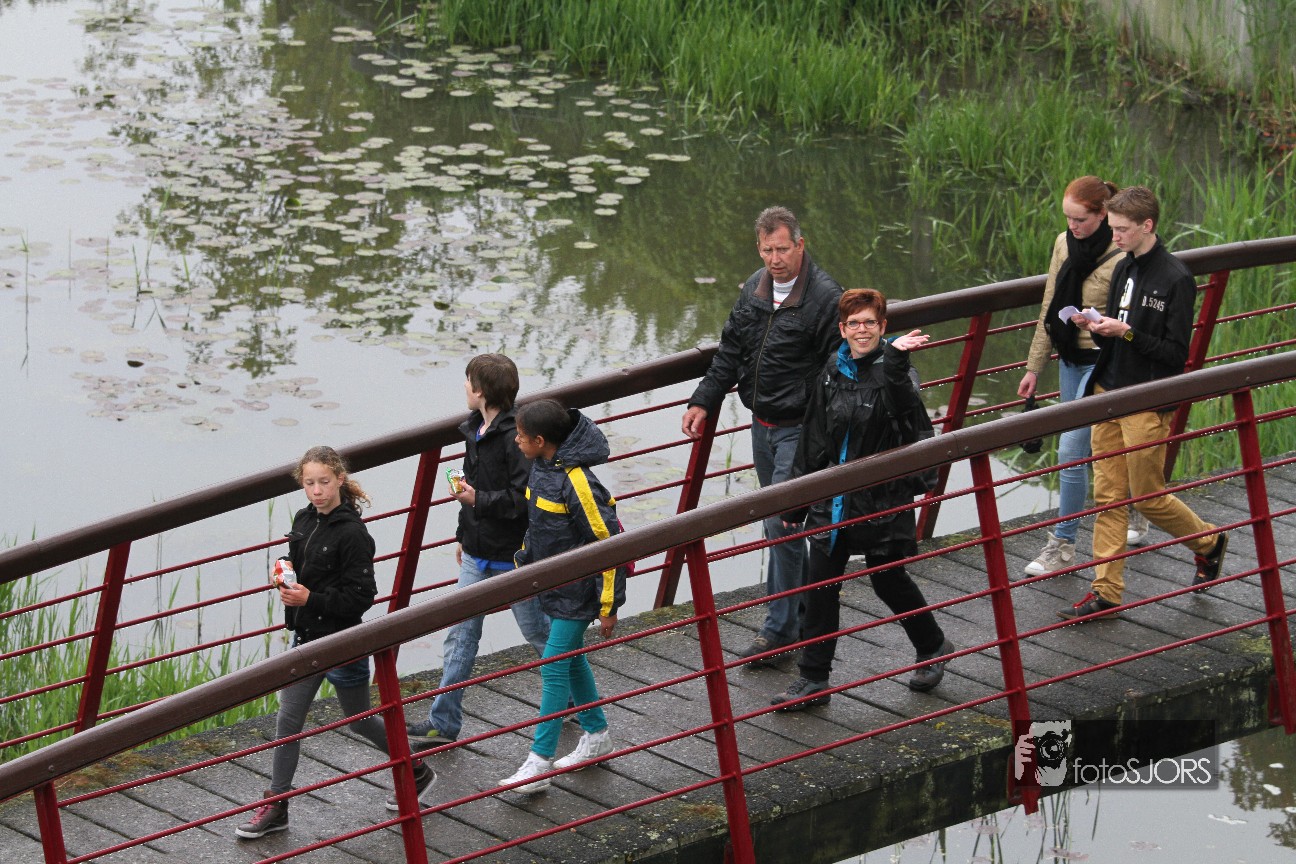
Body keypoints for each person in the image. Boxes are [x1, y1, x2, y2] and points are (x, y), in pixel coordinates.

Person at [236, 446, 435, 840]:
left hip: (343, 643)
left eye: (324, 482)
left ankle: (415, 769)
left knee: (358, 719)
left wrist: (311, 599)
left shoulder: (353, 534)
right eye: (309, 483)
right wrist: (285, 571)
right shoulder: (303, 519)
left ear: (340, 479)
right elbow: (298, 559)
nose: (317, 491)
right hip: (306, 640)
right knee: (288, 722)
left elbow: (362, 597)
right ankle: (277, 805)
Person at [771, 289, 955, 711]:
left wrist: (897, 358)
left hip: (881, 496)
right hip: (834, 496)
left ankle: (932, 644)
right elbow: (814, 437)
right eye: (853, 323)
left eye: (870, 322)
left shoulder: (897, 371)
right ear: (842, 329)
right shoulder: (831, 370)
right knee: (820, 585)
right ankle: (813, 679)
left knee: (888, 580)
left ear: (882, 326)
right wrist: (796, 502)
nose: (861, 330)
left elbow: (904, 402)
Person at [681, 206, 843, 666]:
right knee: (789, 524)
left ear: (800, 245)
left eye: (783, 249)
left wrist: (819, 433)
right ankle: (805, 614)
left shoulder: (825, 298)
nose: (775, 259)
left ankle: (779, 633)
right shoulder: (756, 287)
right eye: (768, 250)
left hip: (800, 430)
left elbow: (837, 372)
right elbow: (731, 349)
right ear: (759, 248)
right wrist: (703, 400)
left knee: (782, 523)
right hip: (763, 425)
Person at [1058, 186, 1229, 621]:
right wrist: (1097, 326)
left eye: (1121, 229)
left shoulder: (1176, 278)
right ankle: (1106, 592)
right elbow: (1120, 330)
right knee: (1109, 497)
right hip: (1108, 392)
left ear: (1146, 226)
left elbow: (1175, 354)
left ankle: (1209, 541)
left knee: (1148, 497)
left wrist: (1127, 332)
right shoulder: (1124, 267)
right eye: (1113, 228)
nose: (1114, 236)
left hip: (1147, 400)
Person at [406, 354, 550, 747]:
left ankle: (576, 700)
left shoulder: (516, 436)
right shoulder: (474, 429)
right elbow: (470, 486)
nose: (464, 387)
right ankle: (443, 723)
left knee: (538, 632)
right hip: (476, 551)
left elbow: (523, 499)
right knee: (460, 636)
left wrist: (477, 501)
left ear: (481, 390)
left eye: (468, 381)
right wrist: (462, 533)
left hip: (513, 555)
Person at [498, 400, 628, 793]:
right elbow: (538, 527)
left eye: (521, 435)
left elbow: (609, 545)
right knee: (571, 662)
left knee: (554, 665)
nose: (516, 440)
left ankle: (539, 763)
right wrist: (524, 564)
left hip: (580, 593)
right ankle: (597, 734)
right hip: (554, 587)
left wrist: (608, 606)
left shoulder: (578, 481)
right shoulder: (541, 468)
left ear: (540, 441)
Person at [1018, 176, 1135, 578]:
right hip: (1070, 357)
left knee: (1070, 451)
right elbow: (1050, 304)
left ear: (1103, 214)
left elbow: (1131, 317)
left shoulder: (1122, 253)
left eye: (1080, 219)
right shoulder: (1063, 243)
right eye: (1067, 218)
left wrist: (1100, 323)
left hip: (1105, 360)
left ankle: (1062, 544)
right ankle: (1137, 507)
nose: (1073, 226)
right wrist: (1035, 366)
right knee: (1093, 445)